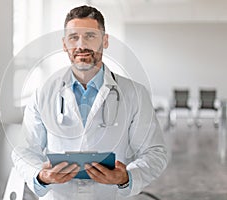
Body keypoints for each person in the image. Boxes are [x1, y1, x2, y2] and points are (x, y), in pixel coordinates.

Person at [12, 5, 168, 200]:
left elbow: (154, 152)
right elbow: (23, 151)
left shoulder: (134, 94)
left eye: (90, 36)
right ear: (64, 44)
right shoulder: (42, 94)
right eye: (73, 37)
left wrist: (126, 177)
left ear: (105, 41)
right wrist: (41, 175)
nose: (81, 45)